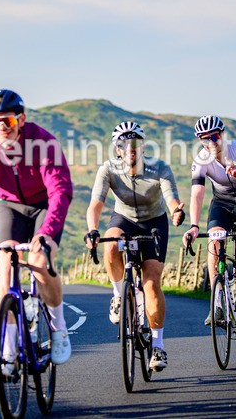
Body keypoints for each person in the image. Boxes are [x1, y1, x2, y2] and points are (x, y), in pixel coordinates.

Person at [0, 89, 74, 375]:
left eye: (7, 122)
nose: (1, 128)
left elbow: (60, 190)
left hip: (44, 206)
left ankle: (59, 328)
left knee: (39, 263)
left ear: (21, 119)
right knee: (5, 266)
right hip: (10, 206)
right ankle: (8, 352)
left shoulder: (43, 142)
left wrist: (47, 233)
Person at [84, 121, 185, 372]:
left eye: (135, 144)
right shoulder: (108, 169)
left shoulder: (159, 167)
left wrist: (176, 212)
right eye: (124, 144)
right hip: (124, 219)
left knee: (151, 283)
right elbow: (96, 204)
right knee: (110, 246)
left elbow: (171, 198)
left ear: (142, 147)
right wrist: (92, 230)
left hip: (154, 222)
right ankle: (119, 295)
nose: (130, 149)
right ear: (117, 148)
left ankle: (158, 346)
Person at [183, 115, 236, 338]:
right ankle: (217, 302)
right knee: (214, 242)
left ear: (222, 135)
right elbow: (197, 193)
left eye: (214, 137)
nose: (210, 143)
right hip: (221, 205)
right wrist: (194, 225)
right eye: (204, 139)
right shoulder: (201, 159)